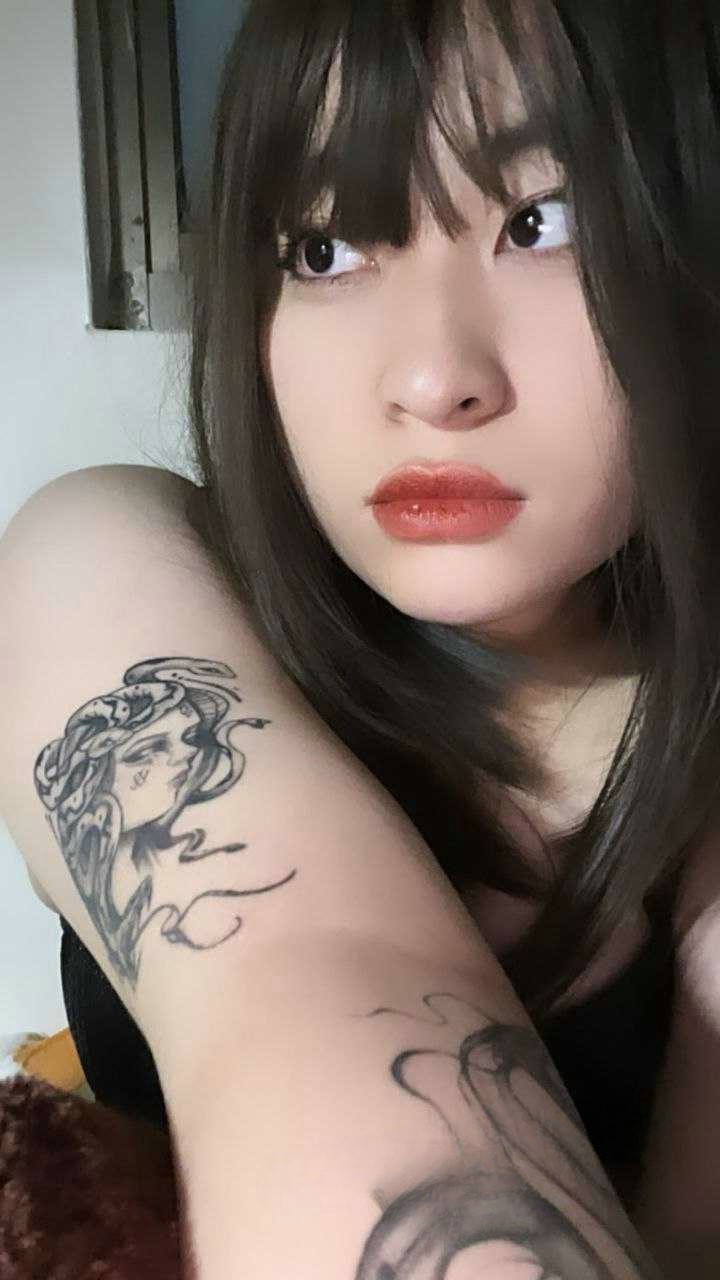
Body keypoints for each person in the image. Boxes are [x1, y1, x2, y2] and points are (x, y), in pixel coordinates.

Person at [3, 0, 720, 1274]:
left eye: (543, 222)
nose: (432, 379)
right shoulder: (112, 562)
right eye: (324, 247)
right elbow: (309, 968)